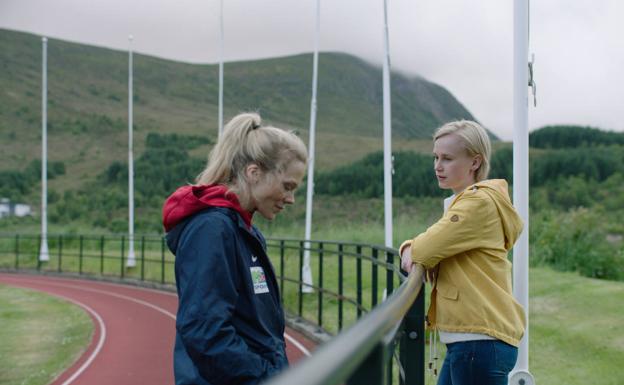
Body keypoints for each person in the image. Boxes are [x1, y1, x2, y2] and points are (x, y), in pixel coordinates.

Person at [162, 112, 307, 385]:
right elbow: (205, 331)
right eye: (287, 186)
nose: (291, 199)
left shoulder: (245, 230)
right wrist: (266, 375)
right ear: (254, 173)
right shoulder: (212, 230)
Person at [399, 120, 526, 385]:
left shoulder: (477, 203)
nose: (437, 166)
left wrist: (410, 247)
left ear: (475, 162)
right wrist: (411, 246)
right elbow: (432, 244)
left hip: (478, 341)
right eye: (435, 157)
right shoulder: (467, 202)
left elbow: (425, 249)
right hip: (472, 340)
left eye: (447, 158)